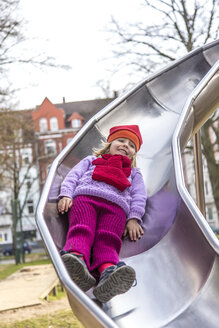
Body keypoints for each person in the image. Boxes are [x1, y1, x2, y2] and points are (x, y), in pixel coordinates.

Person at [58, 125, 147, 303]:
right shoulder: (91, 160)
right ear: (109, 143)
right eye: (121, 140)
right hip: (86, 198)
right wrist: (66, 194)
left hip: (116, 208)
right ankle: (77, 262)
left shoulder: (134, 173)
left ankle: (109, 274)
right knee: (82, 230)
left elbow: (139, 195)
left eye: (131, 145)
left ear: (133, 154)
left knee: (107, 241)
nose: (125, 145)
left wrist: (134, 218)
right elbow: (73, 176)